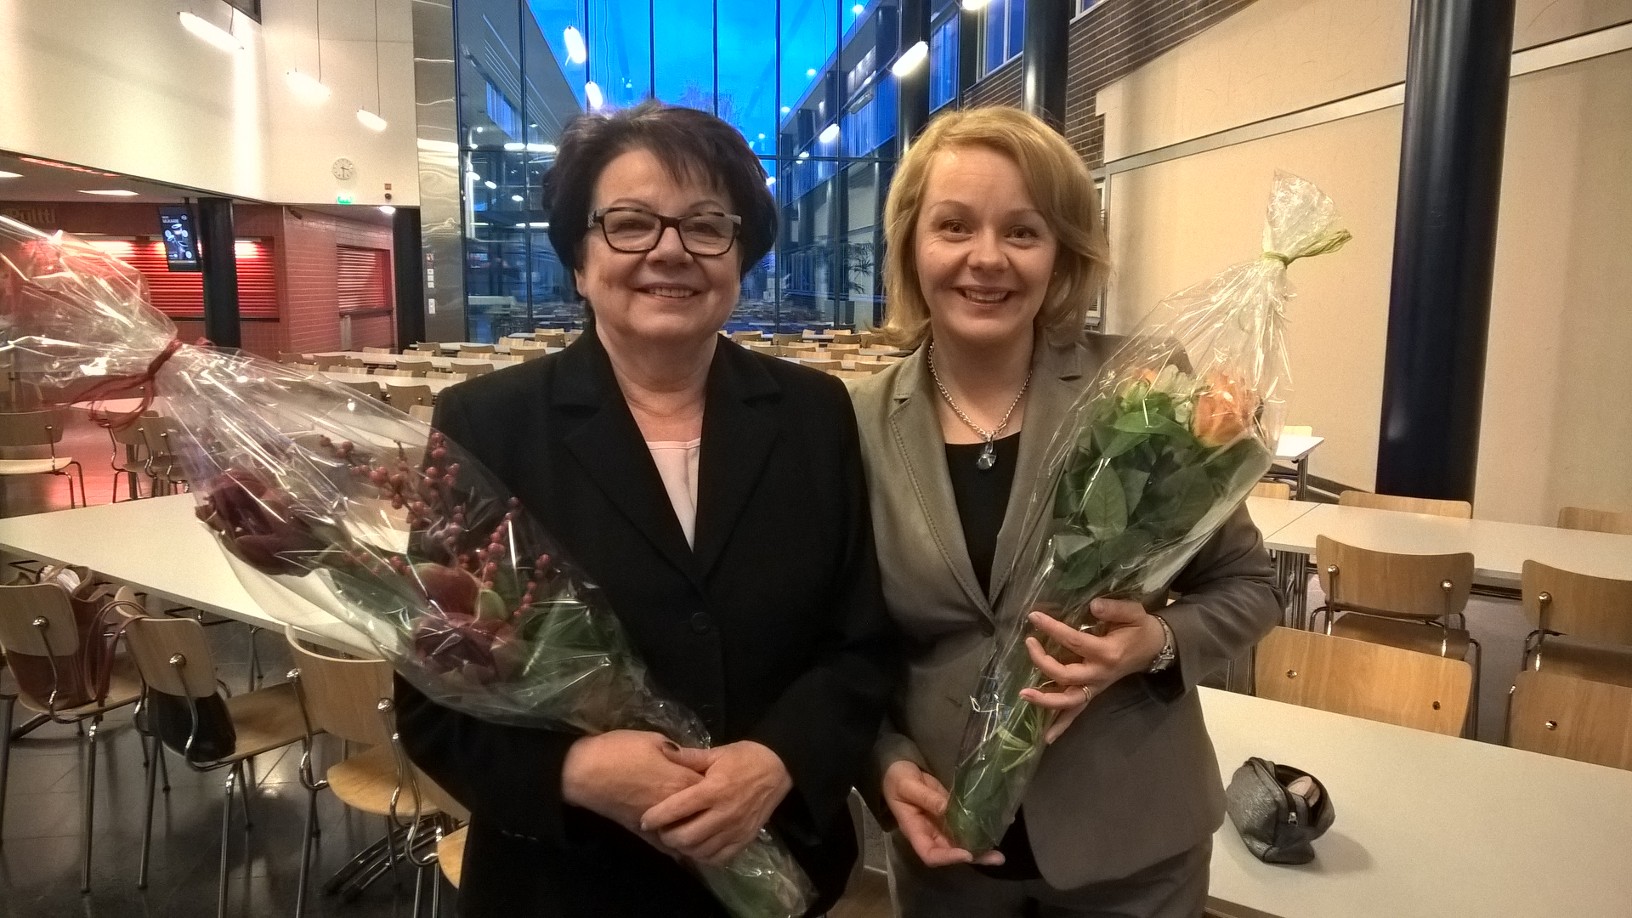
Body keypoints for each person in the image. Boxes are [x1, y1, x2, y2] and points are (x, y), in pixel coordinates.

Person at [398, 101, 894, 917]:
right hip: (565, 889)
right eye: (630, 223)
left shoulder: (814, 414)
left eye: (706, 225)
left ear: (740, 256)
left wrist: (777, 760)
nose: (670, 249)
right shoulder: (487, 425)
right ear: (579, 258)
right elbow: (432, 697)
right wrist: (574, 771)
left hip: (780, 871)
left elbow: (860, 646)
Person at [848, 106, 1280, 917]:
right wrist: (883, 760)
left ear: (1062, 252)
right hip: (947, 849)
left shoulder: (1142, 393)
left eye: (1023, 231)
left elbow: (1251, 587)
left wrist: (1154, 643)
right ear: (911, 243)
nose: (987, 258)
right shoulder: (854, 423)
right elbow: (841, 643)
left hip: (1132, 846)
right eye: (953, 225)